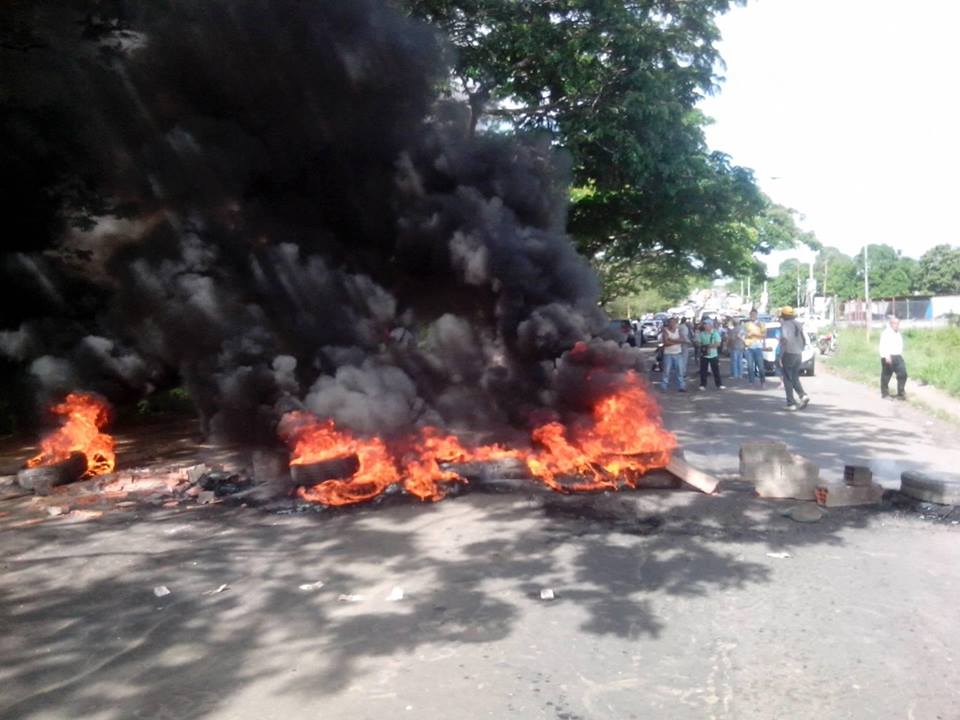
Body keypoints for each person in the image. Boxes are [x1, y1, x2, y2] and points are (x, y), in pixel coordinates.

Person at [777, 306, 810, 410]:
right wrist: (800, 349)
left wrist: (780, 356)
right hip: (798, 353)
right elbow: (804, 340)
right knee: (795, 376)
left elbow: (784, 341)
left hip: (789, 353)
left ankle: (791, 403)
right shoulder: (798, 324)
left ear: (783, 315)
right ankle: (803, 395)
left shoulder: (785, 325)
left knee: (787, 378)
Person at [879, 316, 908, 400]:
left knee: (903, 374)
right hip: (888, 356)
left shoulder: (897, 333)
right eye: (895, 323)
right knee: (886, 376)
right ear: (891, 324)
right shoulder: (886, 333)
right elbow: (883, 345)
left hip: (897, 356)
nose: (897, 325)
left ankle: (901, 393)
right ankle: (885, 394)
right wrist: (886, 356)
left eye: (898, 323)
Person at [659, 317, 686, 392]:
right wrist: (677, 341)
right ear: (668, 323)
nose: (672, 324)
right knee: (666, 372)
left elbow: (683, 340)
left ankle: (681, 387)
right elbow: (666, 343)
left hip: (678, 353)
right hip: (668, 354)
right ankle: (664, 387)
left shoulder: (678, 330)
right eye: (671, 322)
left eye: (674, 322)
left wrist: (671, 340)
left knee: (680, 371)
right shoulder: (665, 331)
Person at [697, 318, 725, 390]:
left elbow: (718, 344)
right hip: (704, 355)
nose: (705, 326)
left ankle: (719, 384)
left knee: (716, 370)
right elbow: (698, 343)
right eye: (704, 324)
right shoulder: (702, 334)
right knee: (703, 370)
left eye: (706, 324)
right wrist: (702, 346)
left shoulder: (715, 333)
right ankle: (703, 384)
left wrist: (708, 346)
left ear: (710, 325)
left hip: (713, 355)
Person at [744, 309, 766, 386]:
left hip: (758, 347)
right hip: (749, 347)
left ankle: (762, 381)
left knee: (761, 366)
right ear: (750, 315)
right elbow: (742, 334)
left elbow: (764, 335)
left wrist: (758, 336)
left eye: (754, 314)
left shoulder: (761, 324)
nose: (753, 316)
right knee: (750, 366)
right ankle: (751, 381)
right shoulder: (746, 324)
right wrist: (748, 336)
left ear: (757, 315)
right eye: (751, 315)